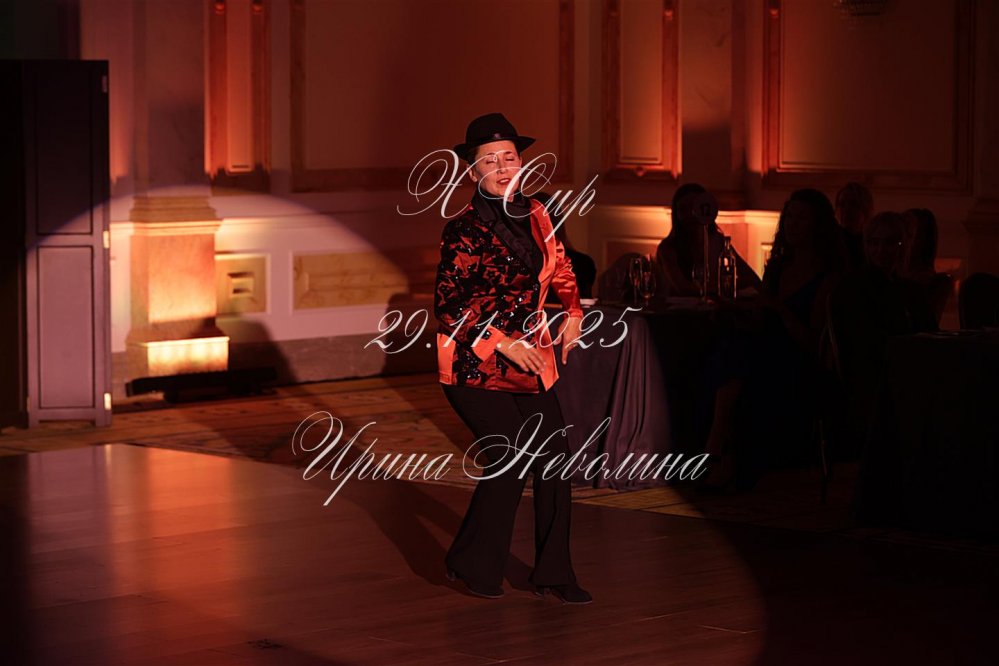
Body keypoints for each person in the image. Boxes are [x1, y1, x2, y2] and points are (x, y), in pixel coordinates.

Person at [434, 112, 591, 604]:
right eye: (490, 160)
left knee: (555, 460)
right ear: (472, 170)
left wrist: (573, 310)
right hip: (473, 365)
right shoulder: (463, 229)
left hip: (531, 360)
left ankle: (553, 573)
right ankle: (473, 563)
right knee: (509, 457)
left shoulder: (539, 211)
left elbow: (560, 265)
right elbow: (449, 307)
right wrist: (503, 342)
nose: (503, 167)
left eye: (510, 157)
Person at [655, 183, 760, 297]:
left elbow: (752, 278)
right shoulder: (667, 248)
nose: (690, 214)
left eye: (694, 208)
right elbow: (684, 289)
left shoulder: (718, 242)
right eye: (683, 209)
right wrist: (722, 288)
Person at [835, 182, 874, 270]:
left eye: (853, 204)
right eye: (842, 205)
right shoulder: (830, 240)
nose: (846, 210)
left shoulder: (872, 243)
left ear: (865, 208)